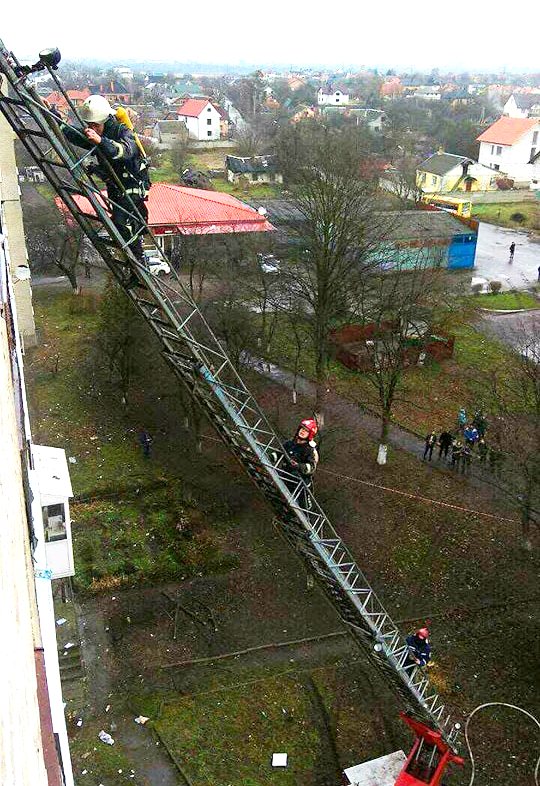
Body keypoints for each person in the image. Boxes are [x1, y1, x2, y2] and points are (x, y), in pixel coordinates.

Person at [58, 95, 150, 268]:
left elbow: (125, 151)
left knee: (122, 222)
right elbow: (74, 134)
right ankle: (133, 264)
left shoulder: (122, 131)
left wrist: (101, 141)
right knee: (120, 225)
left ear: (105, 120)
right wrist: (52, 115)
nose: (92, 129)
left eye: (95, 125)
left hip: (132, 185)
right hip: (115, 186)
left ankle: (139, 260)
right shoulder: (96, 133)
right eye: (89, 125)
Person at [283, 418, 319, 508]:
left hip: (301, 483)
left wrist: (299, 466)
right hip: (286, 476)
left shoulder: (310, 450)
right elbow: (279, 453)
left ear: (310, 434)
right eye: (302, 428)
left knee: (304, 507)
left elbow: (312, 467)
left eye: (306, 431)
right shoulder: (289, 443)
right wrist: (270, 456)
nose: (302, 431)